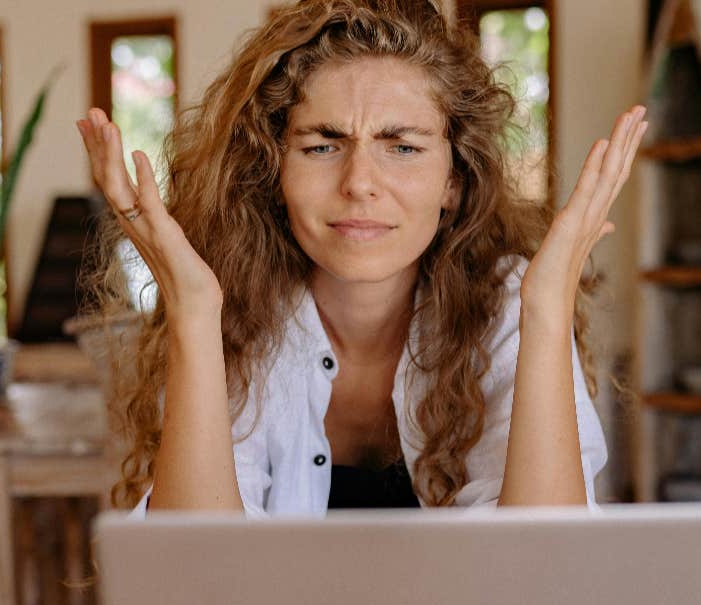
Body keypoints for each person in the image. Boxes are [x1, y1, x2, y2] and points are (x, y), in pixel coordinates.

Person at [76, 0, 645, 515]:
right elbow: (196, 577)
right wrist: (194, 311)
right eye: (322, 146)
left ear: (454, 179)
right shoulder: (233, 307)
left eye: (402, 147)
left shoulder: (505, 302)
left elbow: (543, 574)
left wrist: (546, 306)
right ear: (274, 172)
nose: (360, 184)